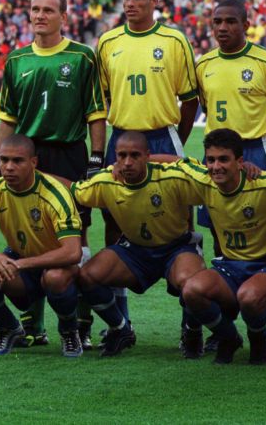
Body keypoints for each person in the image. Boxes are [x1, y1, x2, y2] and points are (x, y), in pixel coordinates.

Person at [0, 0, 107, 348]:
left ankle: (82, 321)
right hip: (26, 152)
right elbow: (7, 117)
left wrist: (96, 158)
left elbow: (95, 113)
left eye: (48, 10)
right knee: (20, 230)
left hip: (68, 153)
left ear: (63, 15)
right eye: (34, 10)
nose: (40, 15)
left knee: (78, 233)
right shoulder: (16, 60)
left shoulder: (81, 57)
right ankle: (33, 324)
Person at [96, 0, 198, 331]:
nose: (130, 4)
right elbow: (102, 97)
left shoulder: (173, 40)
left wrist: (176, 140)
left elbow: (190, 98)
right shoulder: (108, 42)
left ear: (155, 1)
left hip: (162, 138)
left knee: (183, 221)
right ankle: (119, 320)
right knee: (112, 218)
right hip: (121, 137)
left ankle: (191, 321)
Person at [195, 0, 266, 355]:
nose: (222, 28)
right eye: (217, 22)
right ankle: (225, 325)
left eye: (230, 22)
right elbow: (206, 107)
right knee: (222, 236)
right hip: (218, 155)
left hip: (255, 149)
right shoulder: (203, 64)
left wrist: (256, 146)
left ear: (246, 24)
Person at [68, 131, 206, 357]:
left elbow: (202, 170)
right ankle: (121, 329)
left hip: (176, 248)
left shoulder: (171, 176)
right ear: (115, 157)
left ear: (148, 156)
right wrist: (38, 177)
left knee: (192, 285)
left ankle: (192, 332)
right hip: (135, 251)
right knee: (87, 276)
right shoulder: (108, 179)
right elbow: (74, 190)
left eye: (135, 155)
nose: (127, 162)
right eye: (122, 156)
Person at [0, 135, 83, 357]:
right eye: (4, 160)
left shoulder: (55, 193)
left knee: (55, 278)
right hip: (20, 261)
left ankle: (70, 331)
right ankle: (10, 328)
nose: (8, 167)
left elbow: (72, 252)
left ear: (33, 162)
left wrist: (20, 264)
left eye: (17, 161)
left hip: (57, 262)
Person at [176, 129, 266, 365]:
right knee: (191, 291)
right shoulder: (205, 180)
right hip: (228, 267)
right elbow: (178, 162)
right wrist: (141, 160)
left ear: (240, 162)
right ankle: (228, 337)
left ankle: (259, 339)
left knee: (249, 297)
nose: (216, 166)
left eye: (223, 159)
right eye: (211, 160)